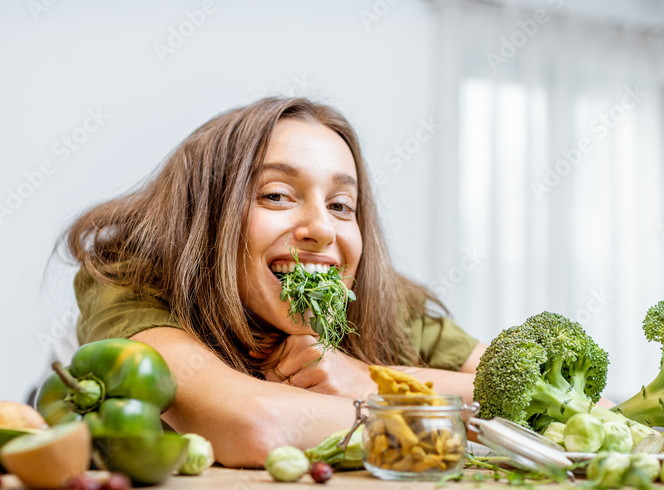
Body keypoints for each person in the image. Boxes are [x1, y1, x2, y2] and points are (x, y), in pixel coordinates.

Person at [63, 97, 485, 467]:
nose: (322, 229)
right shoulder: (128, 280)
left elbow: (538, 394)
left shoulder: (379, 300)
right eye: (277, 195)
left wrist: (369, 379)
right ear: (204, 217)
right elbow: (256, 424)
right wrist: (403, 402)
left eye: (341, 205)